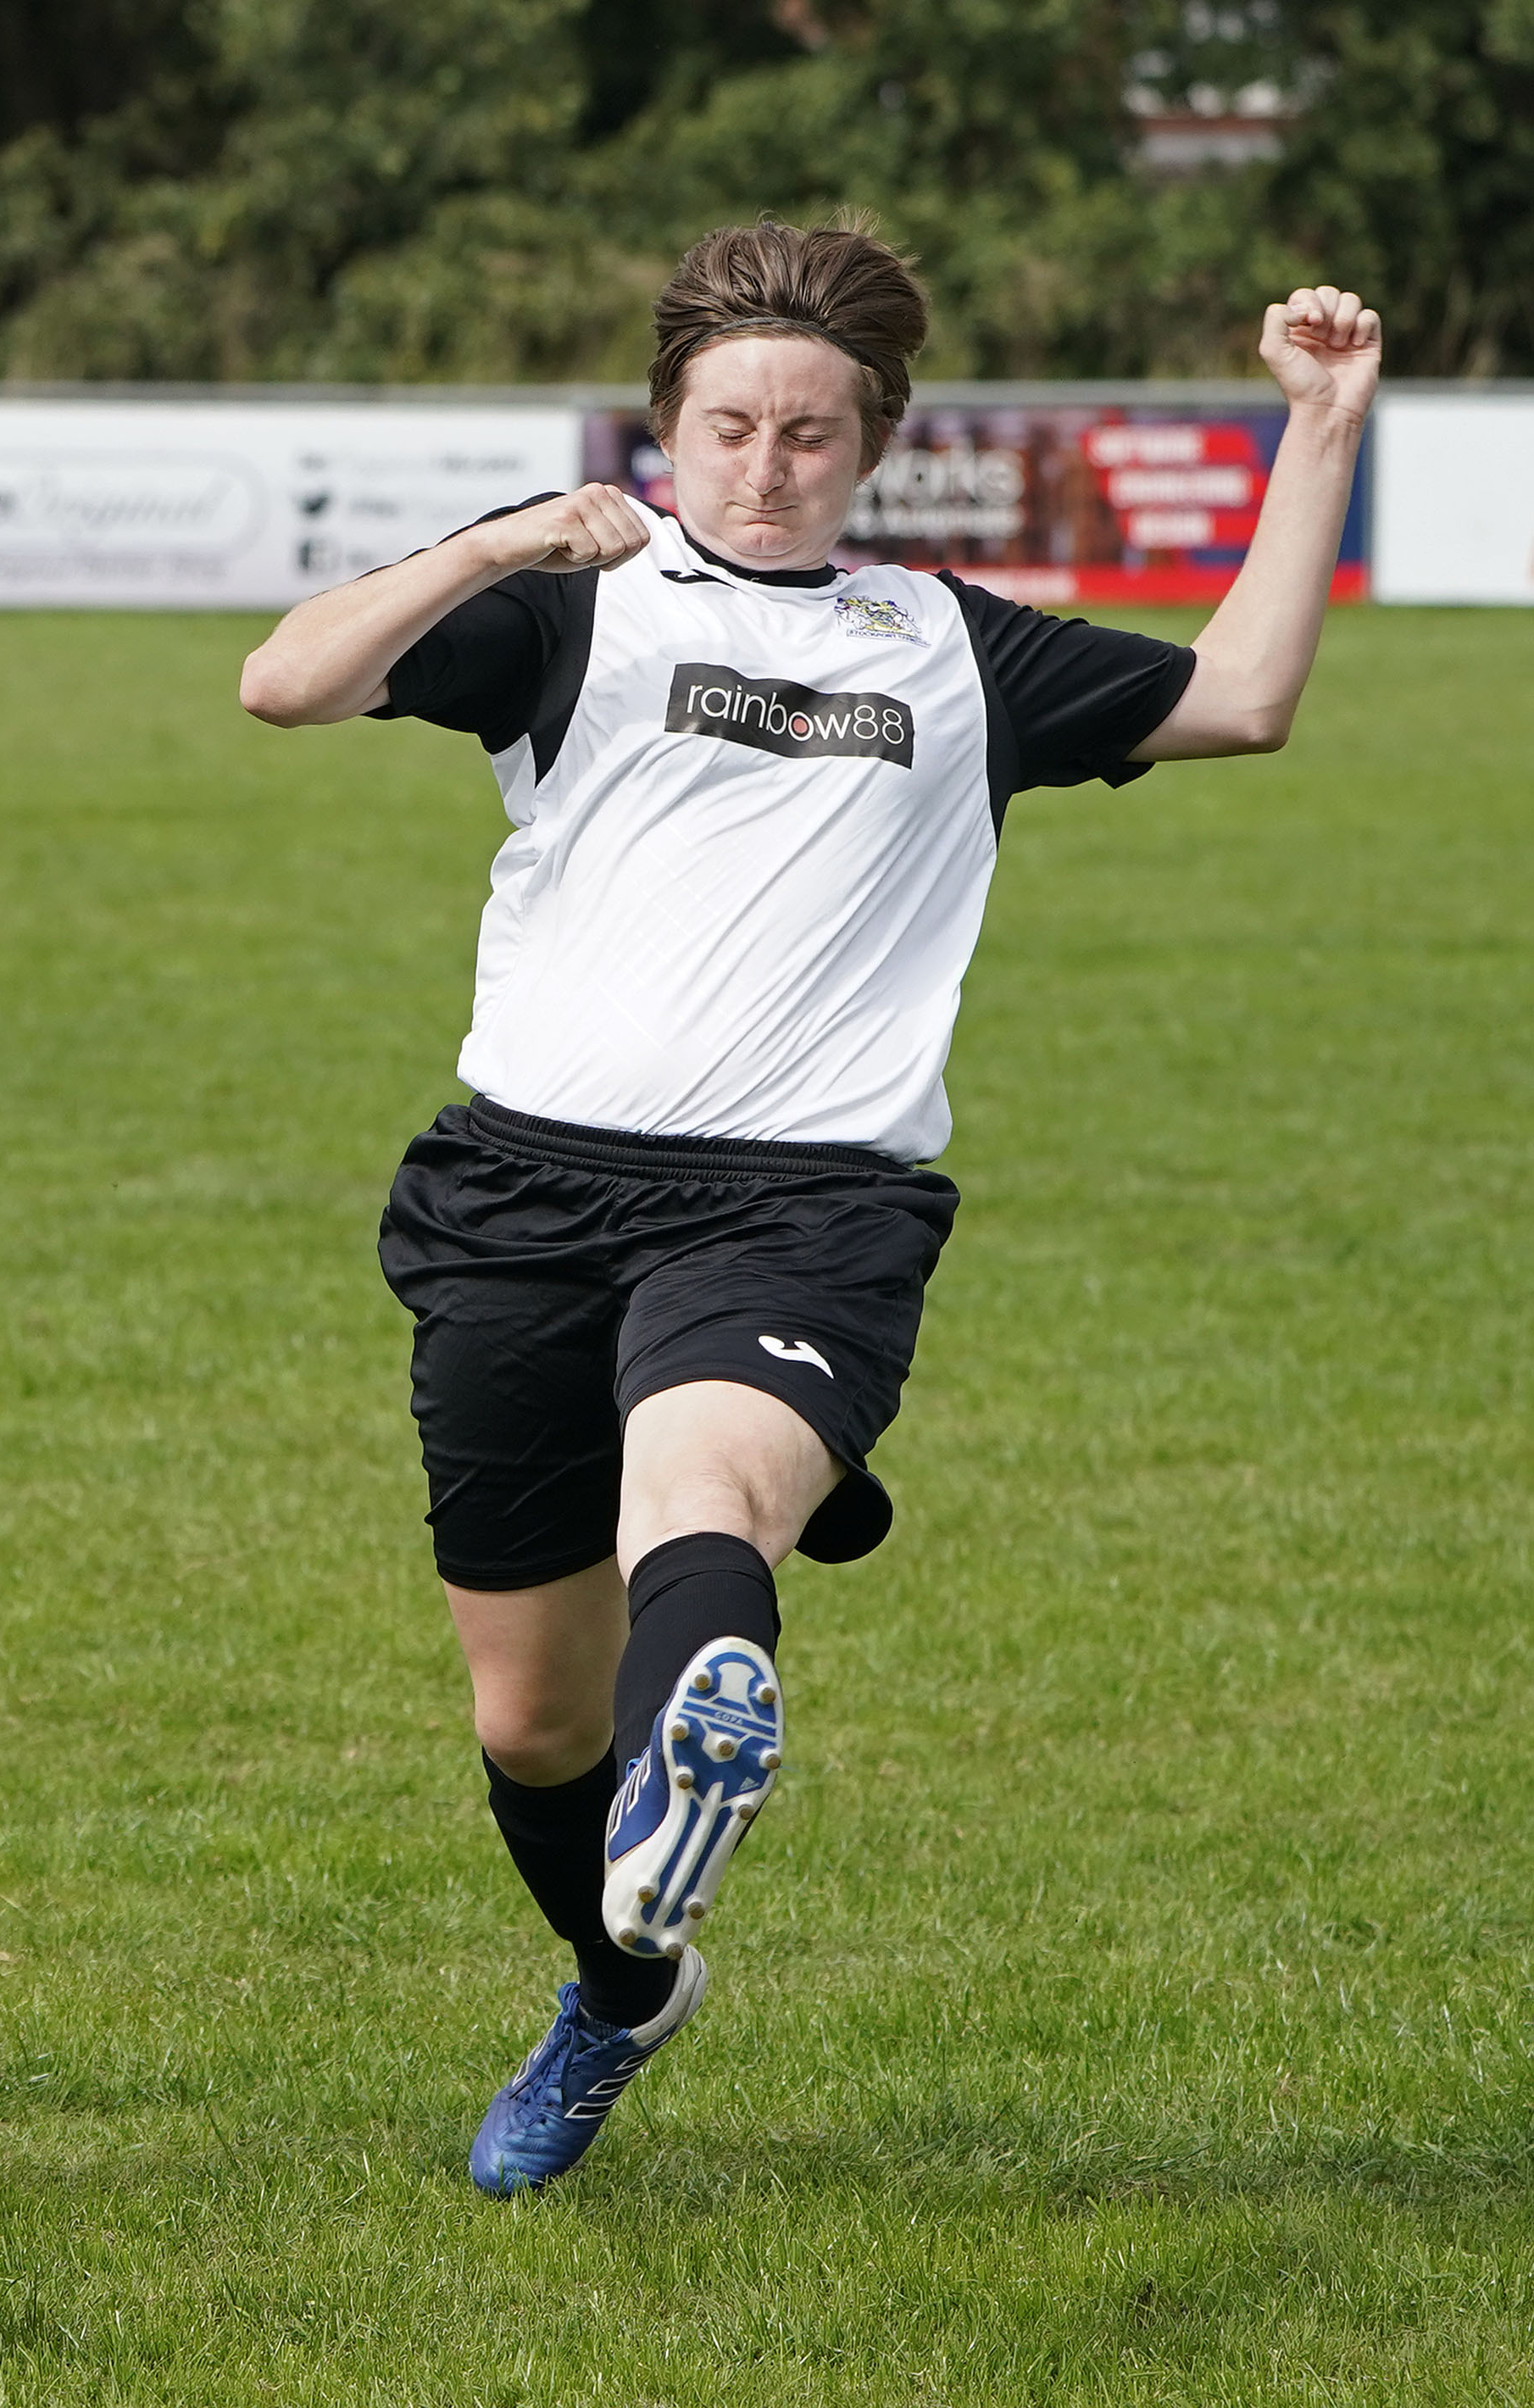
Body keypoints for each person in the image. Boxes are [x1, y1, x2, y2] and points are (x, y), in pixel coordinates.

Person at [238, 223, 1377, 2198]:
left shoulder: (954, 647)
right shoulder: (570, 613)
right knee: (530, 1717)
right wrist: (502, 542)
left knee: (700, 1482)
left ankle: (710, 1727)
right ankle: (624, 1982)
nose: (766, 464)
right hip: (521, 1192)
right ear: (664, 429)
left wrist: (1324, 426)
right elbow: (282, 682)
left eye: (809, 433)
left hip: (802, 1206)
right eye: (730, 426)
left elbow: (1246, 695)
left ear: (872, 450)